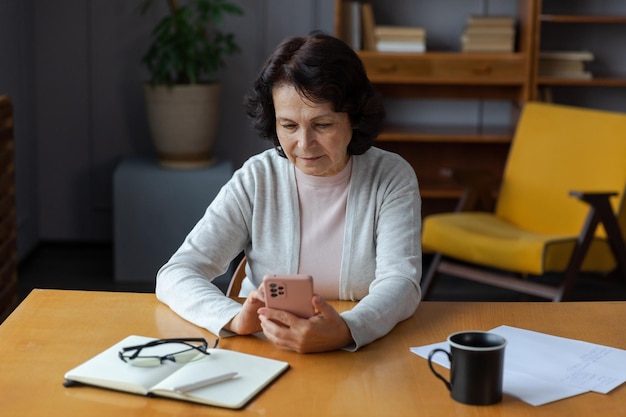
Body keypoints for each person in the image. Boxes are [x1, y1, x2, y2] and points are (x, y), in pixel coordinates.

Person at [156, 31, 422, 353]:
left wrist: (346, 329)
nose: (304, 144)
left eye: (322, 125)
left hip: (359, 350)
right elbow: (177, 272)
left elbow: (402, 283)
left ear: (355, 117)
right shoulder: (258, 178)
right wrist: (234, 318)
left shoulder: (391, 176)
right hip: (266, 346)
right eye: (289, 126)